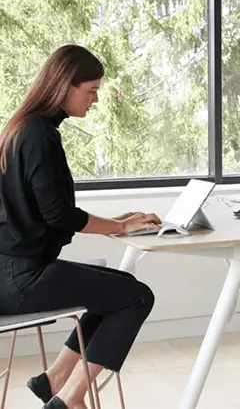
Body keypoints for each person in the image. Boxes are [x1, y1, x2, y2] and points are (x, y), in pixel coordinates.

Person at [0, 45, 161, 409]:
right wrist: (120, 229)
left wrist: (121, 222)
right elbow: (59, 216)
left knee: (120, 288)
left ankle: (52, 380)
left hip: (10, 271)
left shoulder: (22, 129)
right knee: (137, 297)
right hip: (22, 278)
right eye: (91, 90)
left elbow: (48, 210)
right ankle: (69, 399)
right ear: (64, 86)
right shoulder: (39, 136)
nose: (97, 100)